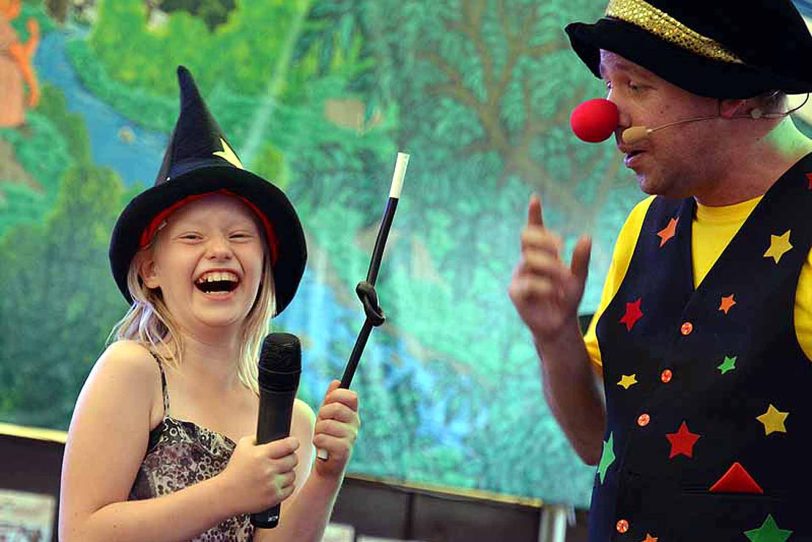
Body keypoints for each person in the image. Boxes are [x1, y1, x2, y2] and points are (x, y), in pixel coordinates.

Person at [509, 0, 812, 540]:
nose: (604, 117)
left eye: (636, 86)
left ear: (735, 96)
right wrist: (554, 340)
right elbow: (595, 443)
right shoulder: (646, 224)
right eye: (608, 84)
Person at [59, 66, 360, 541]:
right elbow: (81, 533)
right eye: (193, 236)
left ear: (266, 264)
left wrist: (326, 474)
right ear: (150, 270)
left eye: (240, 235)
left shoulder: (290, 419)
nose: (219, 250)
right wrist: (226, 492)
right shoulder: (133, 372)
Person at [0, 0, 40, 128]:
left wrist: (34, 38)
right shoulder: (4, 28)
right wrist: (34, 88)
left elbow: (21, 55)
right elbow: (23, 61)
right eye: (17, 3)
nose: (19, 8)